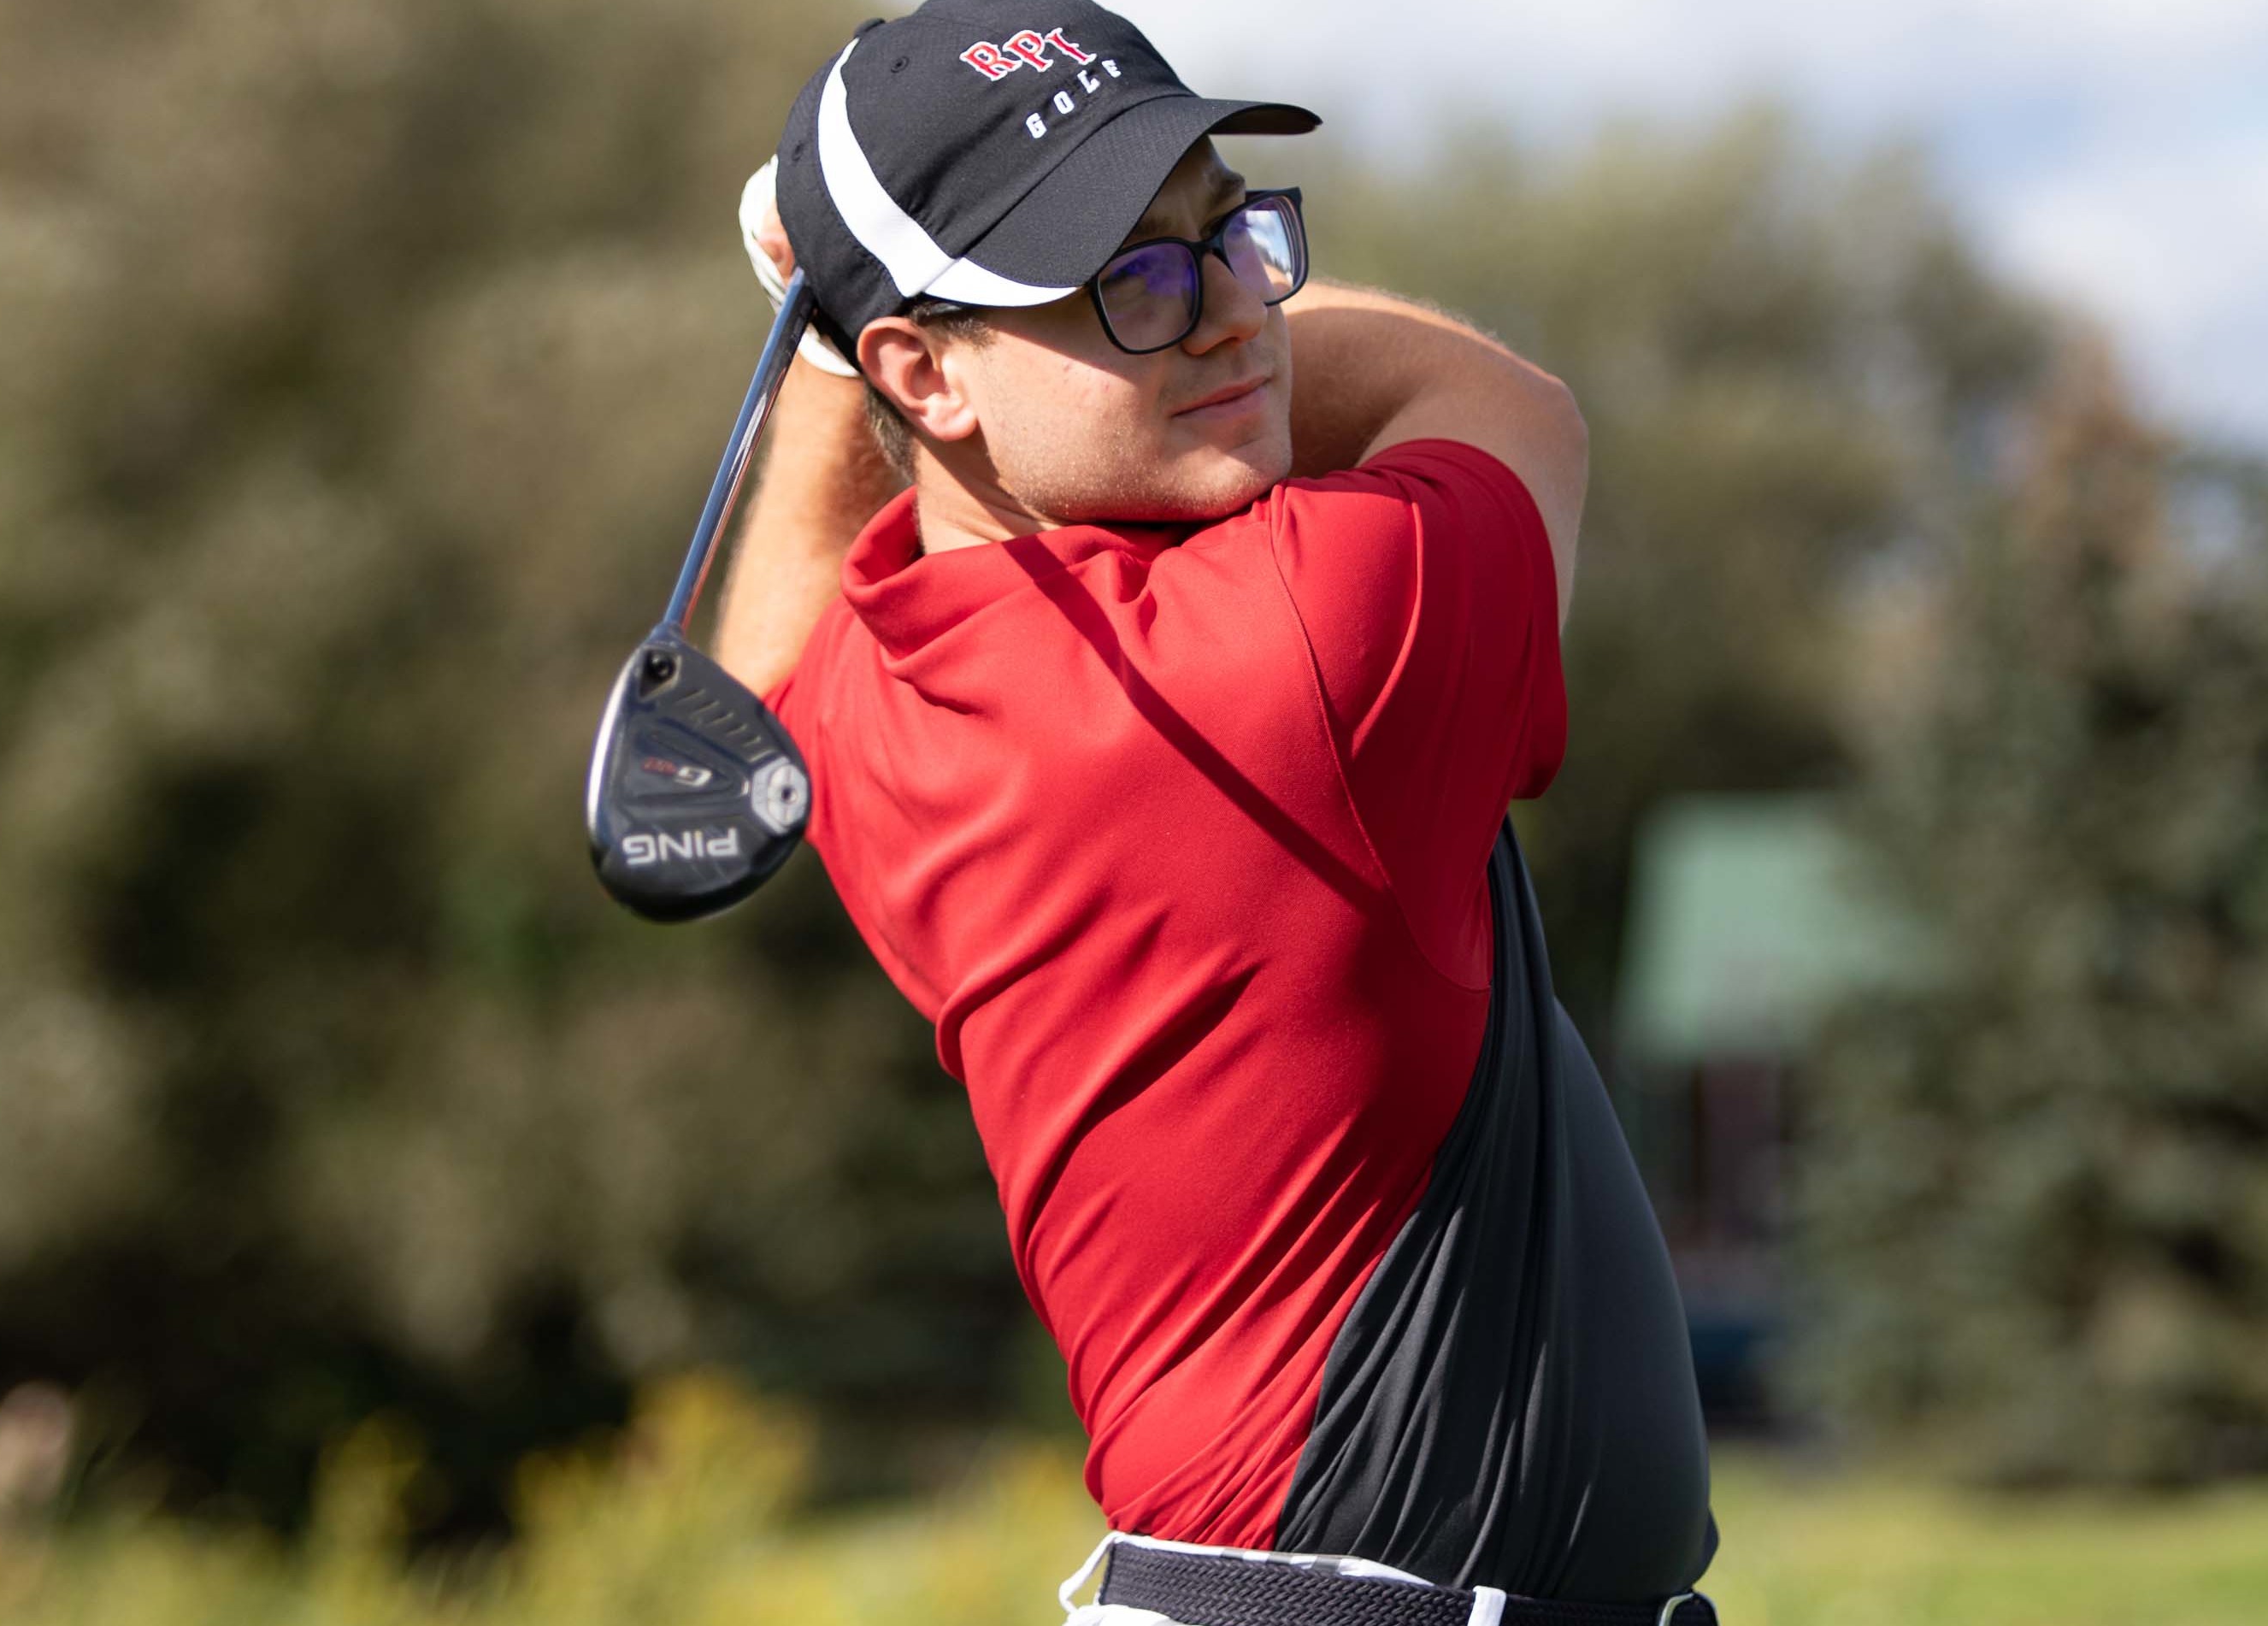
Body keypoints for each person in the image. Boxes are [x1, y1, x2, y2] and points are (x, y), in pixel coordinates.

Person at [713, 3, 1717, 1621]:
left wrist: (830, 340)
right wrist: (844, 311)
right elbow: (1516, 407)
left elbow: (764, 659)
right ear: (928, 368)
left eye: (1231, 231)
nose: (1237, 312)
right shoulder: (1312, 634)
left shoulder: (880, 693)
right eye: (1131, 276)